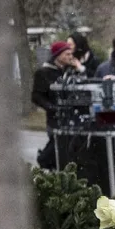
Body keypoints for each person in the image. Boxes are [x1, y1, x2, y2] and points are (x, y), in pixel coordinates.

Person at [32, 40, 79, 169]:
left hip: (73, 118)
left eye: (71, 54)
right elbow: (36, 96)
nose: (70, 57)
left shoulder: (71, 72)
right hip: (55, 119)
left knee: (71, 150)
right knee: (58, 147)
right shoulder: (44, 73)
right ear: (57, 55)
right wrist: (51, 108)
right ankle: (49, 165)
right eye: (67, 54)